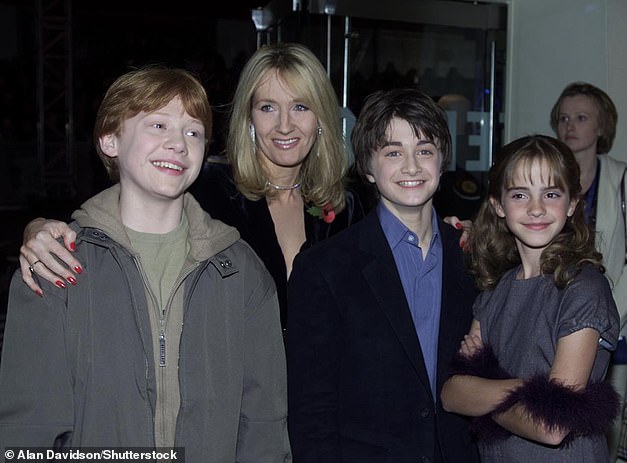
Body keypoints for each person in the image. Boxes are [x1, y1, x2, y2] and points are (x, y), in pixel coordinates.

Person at [0, 66, 290, 460]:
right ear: (109, 140)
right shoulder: (54, 265)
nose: (178, 144)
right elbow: (28, 433)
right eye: (157, 125)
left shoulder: (241, 272)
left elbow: (264, 429)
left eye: (193, 132)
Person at [16, 42, 365, 329]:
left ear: (321, 118)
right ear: (249, 119)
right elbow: (121, 214)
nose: (285, 125)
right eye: (268, 107)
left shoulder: (348, 207)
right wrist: (39, 227)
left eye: (301, 107)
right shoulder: (209, 189)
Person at [286, 88, 480, 462]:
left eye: (425, 150)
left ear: (442, 162)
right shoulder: (325, 269)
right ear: (367, 168)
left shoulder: (473, 257)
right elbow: (312, 410)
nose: (411, 166)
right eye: (393, 152)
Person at [440, 135, 621, 462]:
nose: (536, 208)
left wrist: (482, 393)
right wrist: (529, 390)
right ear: (498, 205)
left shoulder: (583, 288)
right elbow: (452, 394)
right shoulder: (495, 291)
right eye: (520, 194)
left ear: (571, 204)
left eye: (551, 194)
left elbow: (551, 426)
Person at [550, 82, 627, 460]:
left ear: (602, 127)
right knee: (556, 422)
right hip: (553, 320)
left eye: (581, 118)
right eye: (564, 118)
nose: (570, 125)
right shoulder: (548, 181)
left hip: (612, 329)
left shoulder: (624, 182)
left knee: (604, 432)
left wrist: (604, 314)